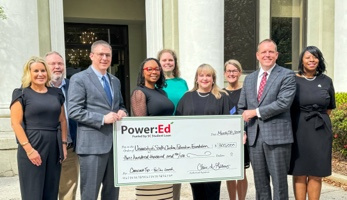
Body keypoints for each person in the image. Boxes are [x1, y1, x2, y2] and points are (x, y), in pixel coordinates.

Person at [68, 40, 128, 200]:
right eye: (100, 54)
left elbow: (121, 105)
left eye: (108, 55)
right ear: (91, 56)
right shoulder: (79, 79)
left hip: (114, 147)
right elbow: (73, 111)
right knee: (90, 194)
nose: (104, 58)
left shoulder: (115, 81)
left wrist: (123, 112)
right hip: (91, 147)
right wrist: (102, 119)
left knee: (112, 193)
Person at [238, 39, 296, 200]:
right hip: (254, 138)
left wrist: (255, 112)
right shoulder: (249, 79)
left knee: (279, 184)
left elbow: (283, 103)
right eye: (263, 52)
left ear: (276, 55)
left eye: (271, 52)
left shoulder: (287, 75)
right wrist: (242, 129)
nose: (267, 55)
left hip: (277, 137)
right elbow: (241, 108)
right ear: (257, 55)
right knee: (260, 184)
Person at [10, 56, 67, 200]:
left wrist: (64, 145)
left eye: (43, 70)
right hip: (32, 144)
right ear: (29, 73)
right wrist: (29, 150)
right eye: (36, 71)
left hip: (54, 146)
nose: (40, 74)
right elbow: (16, 123)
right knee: (32, 192)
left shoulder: (56, 93)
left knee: (51, 191)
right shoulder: (21, 93)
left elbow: (62, 120)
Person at [176, 64, 230, 200]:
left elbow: (229, 123)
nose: (204, 78)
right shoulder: (186, 97)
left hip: (215, 153)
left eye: (208, 75)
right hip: (192, 153)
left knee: (212, 189)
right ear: (196, 78)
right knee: (197, 189)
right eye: (201, 75)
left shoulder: (222, 97)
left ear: (213, 79)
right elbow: (178, 124)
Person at [288, 46, 336, 200]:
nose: (311, 60)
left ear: (319, 60)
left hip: (320, 130)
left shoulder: (327, 81)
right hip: (299, 129)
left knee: (317, 173)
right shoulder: (293, 80)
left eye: (315, 57)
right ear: (302, 60)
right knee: (300, 172)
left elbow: (329, 108)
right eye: (308, 57)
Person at [131, 58, 175, 199]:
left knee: (166, 192)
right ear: (143, 72)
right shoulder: (139, 93)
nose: (153, 72)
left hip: (166, 147)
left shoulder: (162, 93)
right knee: (151, 193)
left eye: (156, 69)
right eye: (149, 69)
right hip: (150, 151)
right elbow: (141, 128)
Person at [45, 51, 79, 200]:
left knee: (68, 189)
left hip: (70, 148)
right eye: (52, 64)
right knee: (46, 187)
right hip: (45, 147)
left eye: (60, 63)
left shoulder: (74, 86)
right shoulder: (37, 87)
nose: (57, 67)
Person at [157, 49, 188, 200]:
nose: (168, 63)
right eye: (164, 60)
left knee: (177, 170)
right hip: (161, 132)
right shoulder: (155, 83)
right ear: (159, 63)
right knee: (162, 169)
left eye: (170, 60)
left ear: (175, 63)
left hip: (180, 132)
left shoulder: (182, 83)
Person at [223, 59, 249, 200]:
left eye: (234, 71)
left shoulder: (246, 91)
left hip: (242, 136)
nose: (231, 73)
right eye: (229, 71)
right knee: (229, 171)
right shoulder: (220, 92)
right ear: (224, 73)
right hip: (225, 136)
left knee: (241, 172)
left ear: (239, 73)